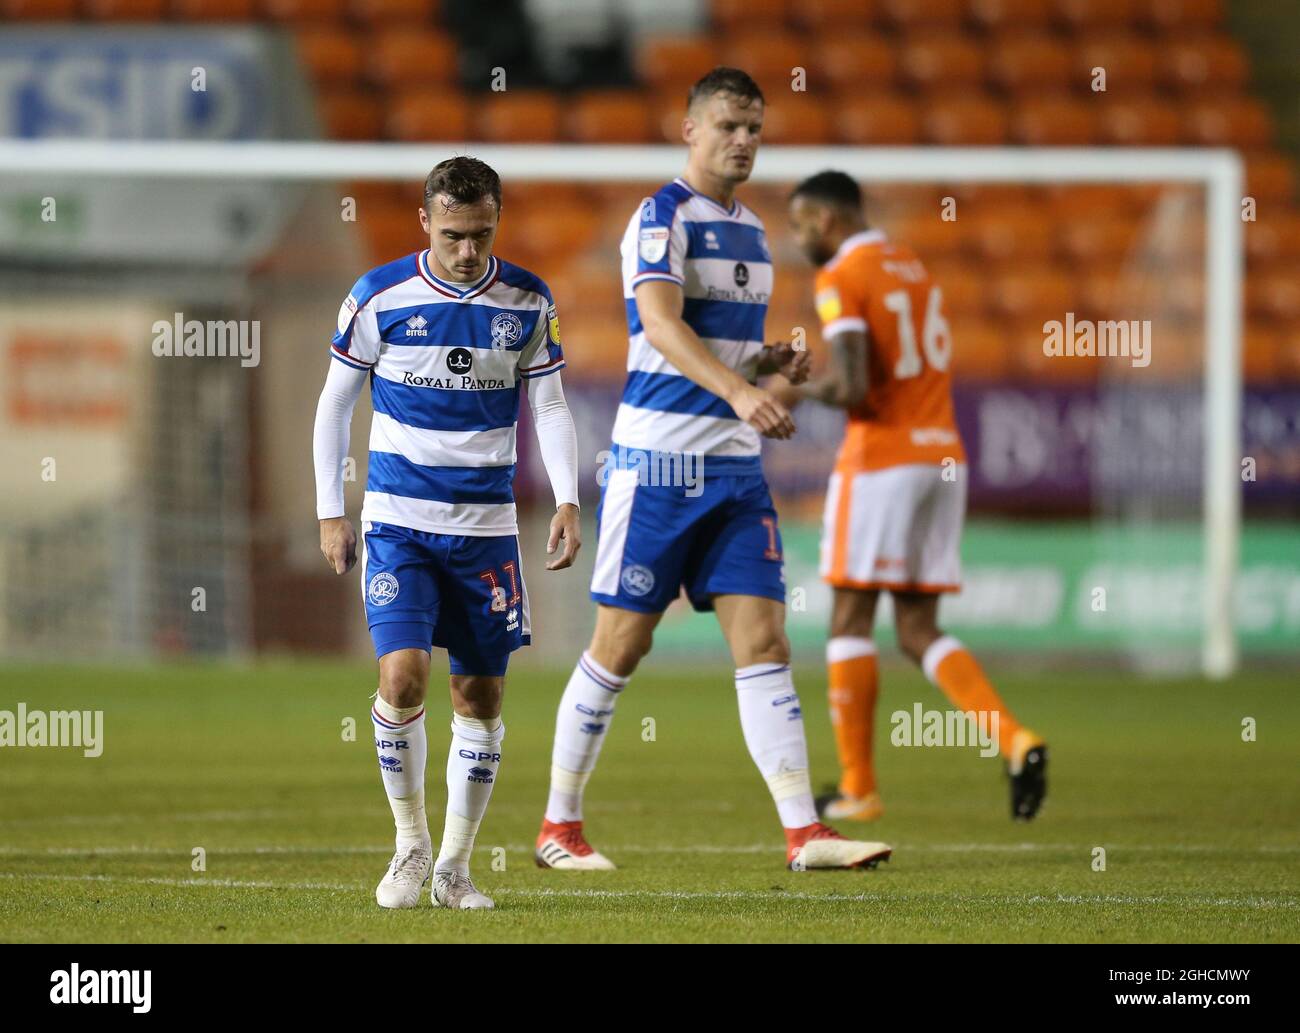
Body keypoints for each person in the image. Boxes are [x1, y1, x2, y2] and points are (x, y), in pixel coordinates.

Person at [534, 69, 892, 873]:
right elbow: (659, 326)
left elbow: (718, 343)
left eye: (755, 129)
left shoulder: (756, 232)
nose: (743, 141)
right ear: (688, 129)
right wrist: (740, 388)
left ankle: (807, 833)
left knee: (766, 639)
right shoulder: (660, 216)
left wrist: (767, 361)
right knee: (620, 646)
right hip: (659, 466)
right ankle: (559, 827)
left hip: (733, 474)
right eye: (729, 124)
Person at [313, 156, 581, 909]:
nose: (469, 250)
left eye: (483, 234)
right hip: (399, 522)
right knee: (401, 675)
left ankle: (456, 867)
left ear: (499, 222)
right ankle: (409, 844)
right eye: (455, 234)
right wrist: (331, 510)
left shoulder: (528, 300)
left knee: (481, 692)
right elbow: (334, 406)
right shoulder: (378, 297)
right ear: (425, 222)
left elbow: (552, 406)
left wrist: (567, 498)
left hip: (488, 530)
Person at [778, 169, 1047, 822]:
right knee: (919, 626)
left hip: (883, 460)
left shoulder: (842, 275)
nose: (796, 239)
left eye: (798, 224)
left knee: (848, 620)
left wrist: (790, 388)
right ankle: (1016, 740)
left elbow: (851, 387)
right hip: (942, 457)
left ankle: (858, 788)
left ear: (825, 220)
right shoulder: (912, 267)